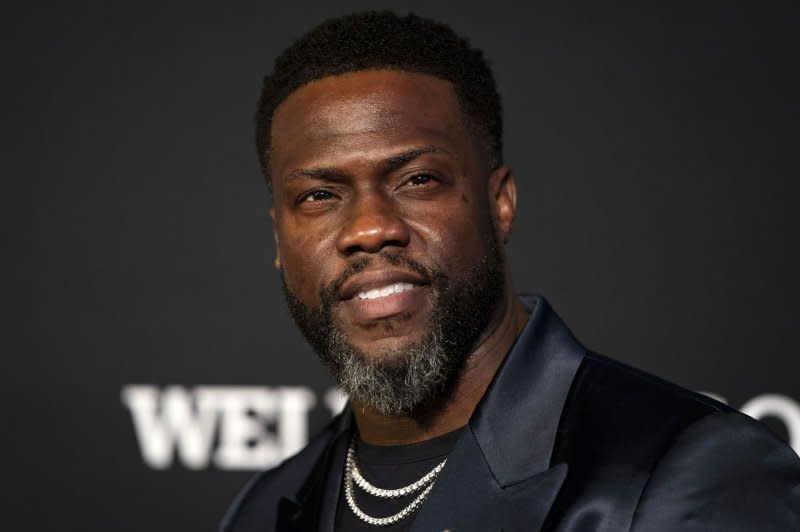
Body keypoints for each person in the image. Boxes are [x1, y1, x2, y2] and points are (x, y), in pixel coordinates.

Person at [222, 11, 800, 532]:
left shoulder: (692, 475)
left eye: (418, 179)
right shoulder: (268, 506)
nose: (369, 229)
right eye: (320, 195)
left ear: (501, 204)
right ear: (279, 237)